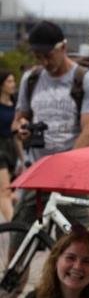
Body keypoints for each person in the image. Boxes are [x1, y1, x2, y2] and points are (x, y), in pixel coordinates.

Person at [0, 22, 89, 298]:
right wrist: (20, 127)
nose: (42, 61)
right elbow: (20, 117)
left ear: (61, 47)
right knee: (16, 261)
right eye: (37, 55)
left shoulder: (84, 80)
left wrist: (64, 167)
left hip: (71, 180)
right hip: (36, 177)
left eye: (47, 55)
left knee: (87, 254)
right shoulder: (32, 79)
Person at [0, 70, 20, 222]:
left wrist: (22, 157)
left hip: (12, 148)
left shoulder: (16, 104)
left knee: (11, 192)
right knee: (5, 191)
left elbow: (17, 133)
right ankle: (14, 227)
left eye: (13, 81)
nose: (13, 84)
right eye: (9, 81)